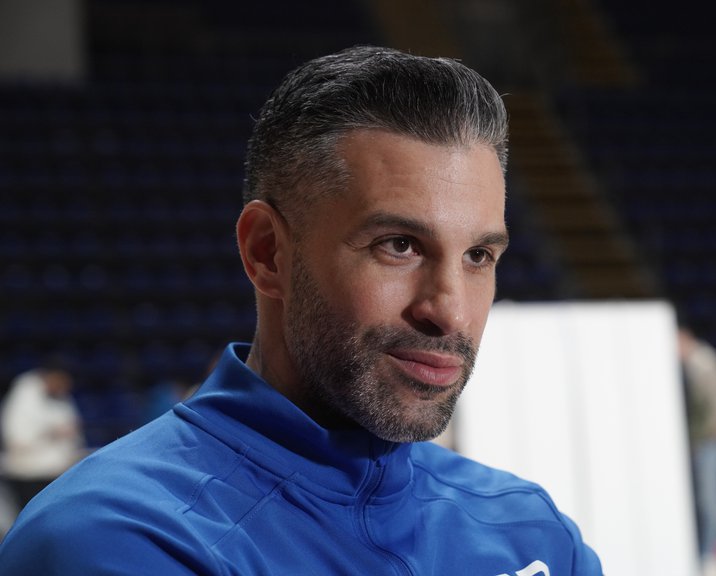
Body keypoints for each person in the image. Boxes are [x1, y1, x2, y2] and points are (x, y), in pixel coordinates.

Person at [0, 46, 602, 575]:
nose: (450, 312)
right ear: (267, 253)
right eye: (399, 245)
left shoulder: (534, 533)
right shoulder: (118, 540)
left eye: (478, 256)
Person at [678, 322, 716, 569]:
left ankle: (711, 554)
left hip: (709, 443)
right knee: (699, 502)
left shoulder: (705, 363)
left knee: (710, 502)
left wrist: (709, 438)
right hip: (697, 443)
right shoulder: (688, 365)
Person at [0, 359, 85, 511]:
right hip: (28, 474)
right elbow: (17, 440)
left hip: (56, 473)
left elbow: (73, 431)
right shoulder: (23, 397)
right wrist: (53, 432)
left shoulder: (62, 398)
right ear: (50, 377)